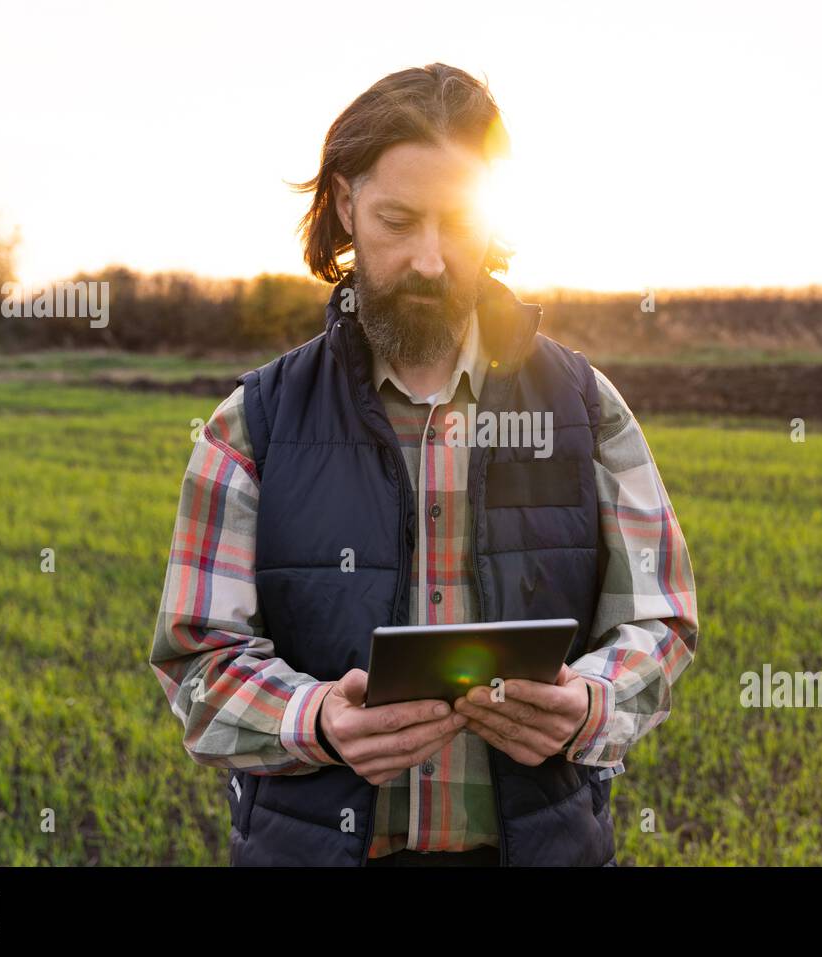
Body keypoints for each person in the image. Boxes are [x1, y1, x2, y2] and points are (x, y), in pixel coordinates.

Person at [148, 62, 699, 866]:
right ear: (345, 205)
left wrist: (591, 703)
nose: (433, 261)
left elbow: (663, 620)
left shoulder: (584, 405)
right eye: (398, 221)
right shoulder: (253, 423)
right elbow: (197, 662)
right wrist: (317, 719)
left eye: (458, 223)